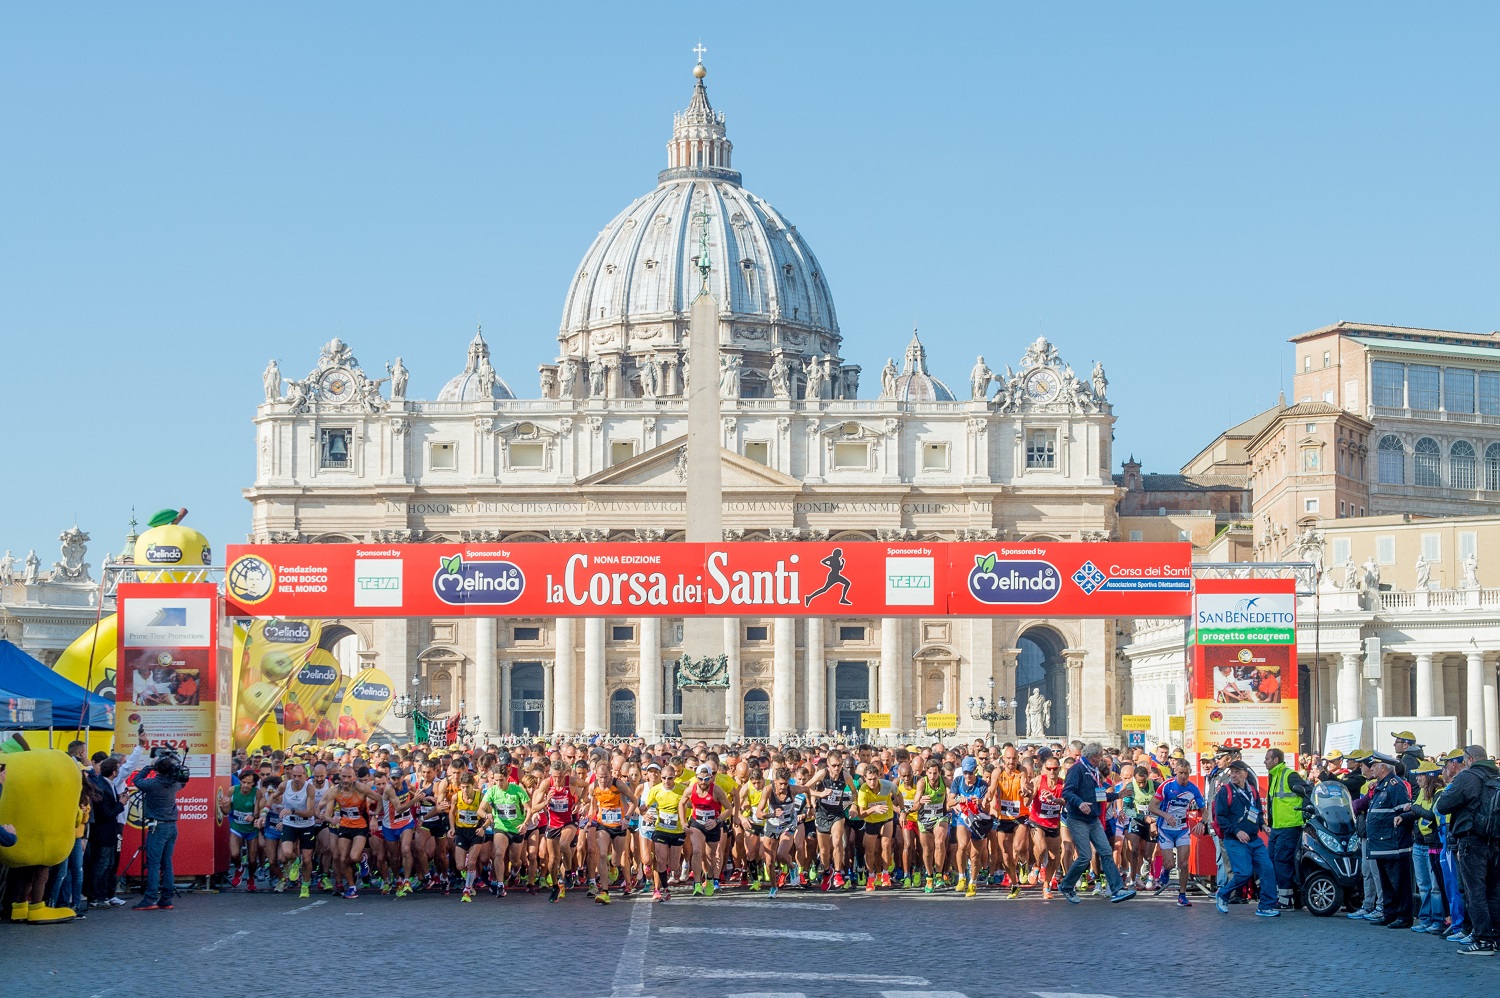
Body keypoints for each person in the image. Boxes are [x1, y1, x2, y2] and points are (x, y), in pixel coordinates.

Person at [1435, 744, 1500, 955]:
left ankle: (1482, 940)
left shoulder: (1468, 777)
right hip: (1495, 840)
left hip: (1471, 839)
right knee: (1493, 891)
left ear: (1470, 759)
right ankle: (1496, 936)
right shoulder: (1496, 777)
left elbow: (1443, 805)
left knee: (1475, 892)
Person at [1057, 742, 1135, 904]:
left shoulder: (1094, 772)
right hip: (1077, 819)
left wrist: (1118, 796)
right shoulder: (1077, 769)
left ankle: (1117, 889)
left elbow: (1100, 796)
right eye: (1100, 757)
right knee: (1085, 855)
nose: (1101, 760)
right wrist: (1080, 803)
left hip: (1093, 819)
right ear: (1093, 757)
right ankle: (1066, 885)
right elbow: (1067, 792)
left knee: (1106, 851)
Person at [125, 737, 191, 912]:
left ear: (157, 769)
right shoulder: (174, 783)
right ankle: (167, 898)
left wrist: (149, 766)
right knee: (167, 862)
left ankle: (150, 898)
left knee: (154, 863)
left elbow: (136, 780)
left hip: (157, 826)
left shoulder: (153, 784)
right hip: (171, 826)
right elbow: (182, 780)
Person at [1210, 760, 1279, 917]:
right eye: (1232, 772)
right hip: (1234, 840)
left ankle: (1265, 906)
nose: (1233, 775)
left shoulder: (1252, 791)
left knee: (1267, 868)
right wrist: (1237, 832)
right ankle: (1223, 894)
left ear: (1245, 774)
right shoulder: (1225, 792)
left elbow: (1257, 813)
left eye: (1237, 772)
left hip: (1254, 839)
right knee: (1243, 873)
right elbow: (1221, 817)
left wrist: (1263, 826)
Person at [1364, 752, 1414, 927]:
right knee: (1387, 883)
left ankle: (1403, 916)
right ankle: (1390, 912)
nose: (1372, 768)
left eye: (1374, 765)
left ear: (1383, 767)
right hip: (1381, 844)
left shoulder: (1395, 785)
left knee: (1399, 882)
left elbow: (1405, 812)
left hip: (1393, 843)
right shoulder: (1381, 785)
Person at [1150, 757, 1204, 907]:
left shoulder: (1193, 789)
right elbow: (1152, 807)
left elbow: (1205, 811)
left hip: (1182, 829)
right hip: (1166, 829)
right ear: (1175, 772)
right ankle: (1165, 871)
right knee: (1170, 864)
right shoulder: (1166, 786)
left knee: (1184, 864)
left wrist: (1203, 822)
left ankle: (1182, 895)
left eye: (1186, 773)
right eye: (1180, 773)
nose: (1183, 776)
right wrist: (1166, 815)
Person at [1265, 747, 1310, 909]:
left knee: (1282, 862)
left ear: (1275, 760)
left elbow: (1308, 791)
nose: (1265, 762)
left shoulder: (1289, 775)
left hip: (1290, 826)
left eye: (1267, 759)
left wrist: (1304, 814)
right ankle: (1284, 896)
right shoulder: (1275, 775)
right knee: (1272, 861)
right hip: (1277, 827)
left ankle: (1286, 899)